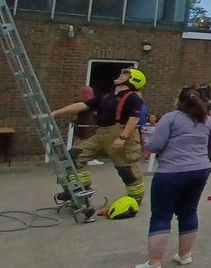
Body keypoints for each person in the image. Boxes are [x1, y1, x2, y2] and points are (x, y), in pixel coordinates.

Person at [134, 88, 211, 268]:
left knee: (161, 215)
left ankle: (154, 263)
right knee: (189, 211)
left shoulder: (170, 118)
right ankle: (185, 254)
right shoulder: (208, 120)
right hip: (199, 170)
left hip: (171, 171)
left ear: (179, 101)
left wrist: (146, 143)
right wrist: (201, 157)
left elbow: (156, 145)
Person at [51, 68, 148, 206]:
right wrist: (55, 113)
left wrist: (122, 137)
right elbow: (84, 105)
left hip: (121, 135)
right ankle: (82, 188)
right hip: (101, 134)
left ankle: (135, 199)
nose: (121, 75)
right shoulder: (107, 95)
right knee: (74, 157)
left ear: (134, 80)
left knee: (127, 170)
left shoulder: (133, 98)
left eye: (126, 75)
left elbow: (134, 119)